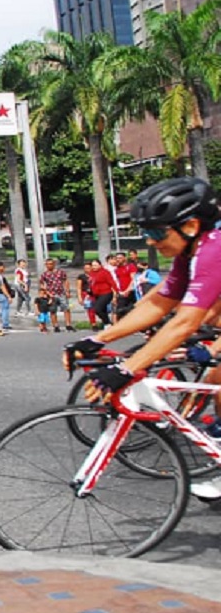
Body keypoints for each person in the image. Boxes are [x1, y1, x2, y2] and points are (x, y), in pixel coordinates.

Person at [58, 179, 221, 499]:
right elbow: (157, 304)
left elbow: (185, 322)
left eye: (158, 232)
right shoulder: (190, 253)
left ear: (189, 225)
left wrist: (125, 369)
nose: (149, 240)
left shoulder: (214, 248)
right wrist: (97, 339)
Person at [38, 258, 72, 333]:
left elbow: (65, 281)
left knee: (66, 309)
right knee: (53, 310)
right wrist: (47, 293)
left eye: (51, 264)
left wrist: (67, 291)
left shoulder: (60, 272)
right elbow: (42, 285)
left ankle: (68, 325)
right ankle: (55, 326)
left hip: (61, 293)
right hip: (51, 295)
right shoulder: (44, 274)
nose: (49, 266)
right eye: (47, 264)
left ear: (54, 264)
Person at [0, 261, 15, 331]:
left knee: (3, 308)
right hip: (0, 293)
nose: (4, 268)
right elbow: (2, 286)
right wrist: (8, 296)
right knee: (5, 309)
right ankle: (5, 324)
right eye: (3, 266)